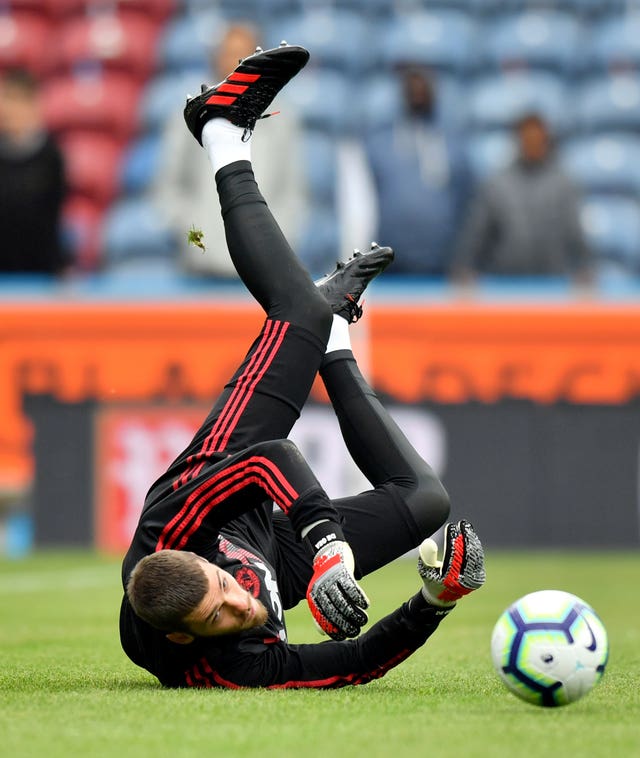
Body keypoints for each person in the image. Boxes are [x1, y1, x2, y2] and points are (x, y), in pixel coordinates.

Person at [120, 43, 486, 690]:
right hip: (277, 552)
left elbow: (268, 460)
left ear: (197, 563)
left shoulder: (173, 527)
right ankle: (336, 330)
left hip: (223, 482)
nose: (243, 601)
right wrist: (436, 600)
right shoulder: (221, 666)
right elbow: (348, 665)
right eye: (222, 612)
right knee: (426, 501)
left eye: (222, 587)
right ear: (184, 638)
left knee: (297, 312)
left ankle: (222, 131)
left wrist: (328, 551)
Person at [152, 22, 307, 278]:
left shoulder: (283, 118)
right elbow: (168, 189)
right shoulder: (191, 115)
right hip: (201, 270)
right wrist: (195, 241)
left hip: (265, 272)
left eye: (243, 56)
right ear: (215, 57)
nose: (236, 62)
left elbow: (293, 192)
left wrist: (272, 246)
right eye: (229, 53)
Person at [451, 112, 593, 283]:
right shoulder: (497, 184)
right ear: (517, 141)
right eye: (527, 138)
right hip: (506, 286)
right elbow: (477, 233)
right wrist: (465, 266)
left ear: (546, 141)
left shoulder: (564, 184)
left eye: (537, 139)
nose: (532, 143)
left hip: (553, 286)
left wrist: (586, 267)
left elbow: (575, 233)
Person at [363, 65, 473, 276]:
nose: (418, 93)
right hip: (391, 257)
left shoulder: (452, 141)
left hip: (442, 259)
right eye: (411, 87)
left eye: (423, 87)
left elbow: (466, 196)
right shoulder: (382, 141)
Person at [0, 67, 68, 275]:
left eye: (15, 100)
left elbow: (51, 217)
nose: (8, 109)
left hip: (41, 270)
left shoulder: (51, 156)